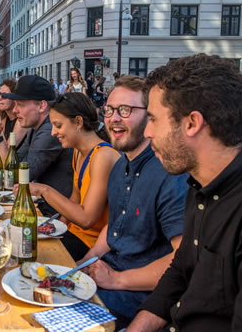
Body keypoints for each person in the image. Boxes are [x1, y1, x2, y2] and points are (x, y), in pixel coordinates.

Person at [128, 55, 242, 331]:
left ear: (192, 123)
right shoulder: (198, 183)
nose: (147, 132)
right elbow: (180, 271)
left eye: (154, 120)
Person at [77, 76, 187, 327]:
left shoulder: (169, 173)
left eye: (125, 110)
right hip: (106, 278)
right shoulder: (119, 166)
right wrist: (87, 260)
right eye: (110, 110)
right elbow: (115, 225)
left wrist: (117, 279)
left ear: (150, 118)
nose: (114, 118)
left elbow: (183, 260)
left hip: (137, 299)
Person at [25, 93, 121, 260]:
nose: (53, 133)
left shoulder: (103, 156)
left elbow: (86, 219)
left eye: (58, 126)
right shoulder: (79, 152)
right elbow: (74, 199)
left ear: (78, 122)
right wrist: (58, 227)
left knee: (28, 254)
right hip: (74, 234)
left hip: (91, 244)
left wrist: (44, 190)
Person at [2, 75, 74, 216]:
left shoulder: (49, 131)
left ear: (41, 106)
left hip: (54, 217)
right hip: (43, 208)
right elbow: (14, 165)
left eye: (20, 105)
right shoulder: (36, 127)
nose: (15, 110)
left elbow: (19, 176)